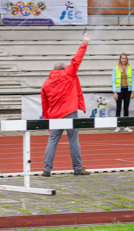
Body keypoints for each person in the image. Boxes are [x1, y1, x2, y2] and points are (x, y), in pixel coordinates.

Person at [42, 34, 91, 177]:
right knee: (73, 141)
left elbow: (44, 105)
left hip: (54, 116)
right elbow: (76, 60)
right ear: (63, 69)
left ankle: (47, 169)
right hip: (70, 112)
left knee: (52, 141)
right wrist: (84, 43)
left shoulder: (46, 83)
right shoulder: (68, 74)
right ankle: (77, 168)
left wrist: (47, 123)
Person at [112, 53, 134, 132]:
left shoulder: (129, 68)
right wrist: (115, 92)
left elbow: (132, 80)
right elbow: (113, 81)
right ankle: (117, 126)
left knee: (126, 108)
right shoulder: (116, 68)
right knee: (118, 108)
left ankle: (126, 125)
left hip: (127, 90)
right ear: (120, 59)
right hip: (119, 90)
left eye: (125, 58)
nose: (124, 60)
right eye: (123, 58)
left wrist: (133, 91)